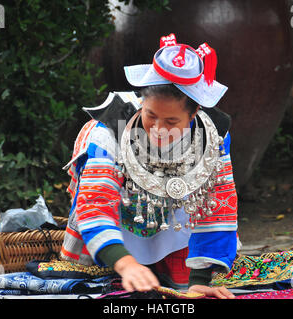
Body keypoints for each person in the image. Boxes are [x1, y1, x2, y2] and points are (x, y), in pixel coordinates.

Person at [60, 33, 239, 299]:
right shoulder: (109, 132)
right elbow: (95, 203)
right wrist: (125, 263)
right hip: (115, 235)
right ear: (141, 101)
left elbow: (217, 206)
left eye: (171, 121)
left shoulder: (212, 137)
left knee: (180, 291)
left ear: (194, 114)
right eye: (150, 115)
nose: (157, 129)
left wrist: (200, 279)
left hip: (176, 231)